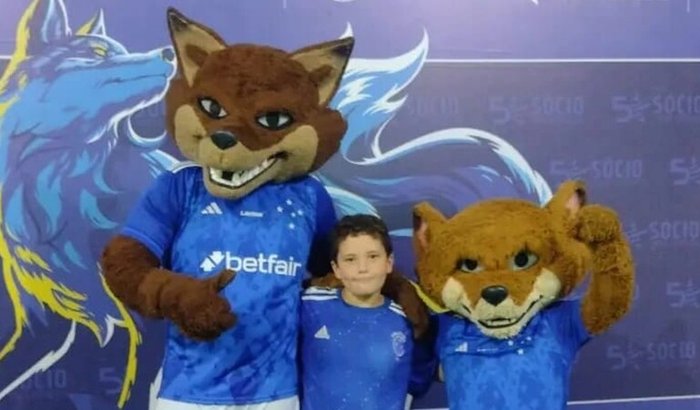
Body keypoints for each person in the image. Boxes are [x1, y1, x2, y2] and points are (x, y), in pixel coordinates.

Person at [299, 214, 436, 410]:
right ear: (336, 268)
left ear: (389, 262)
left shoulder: (408, 321)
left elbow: (420, 381)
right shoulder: (309, 305)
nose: (362, 268)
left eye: (373, 257)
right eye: (350, 259)